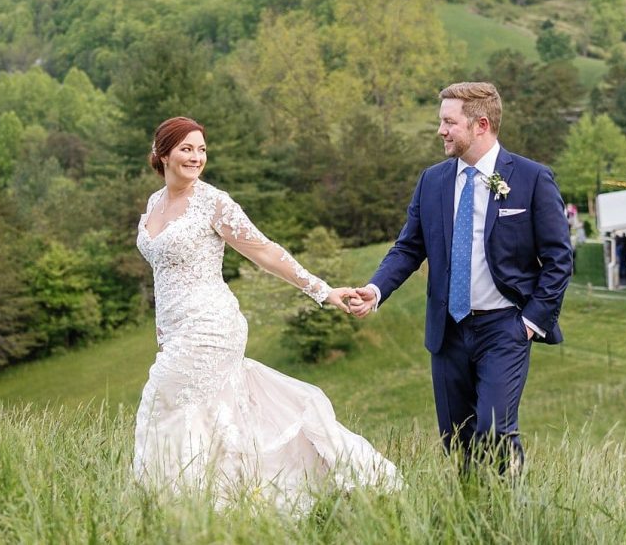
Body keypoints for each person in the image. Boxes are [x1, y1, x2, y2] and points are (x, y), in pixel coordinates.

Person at [132, 117, 401, 512]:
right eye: (186, 149)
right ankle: (218, 503)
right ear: (162, 154)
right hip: (175, 331)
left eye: (202, 149)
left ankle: (190, 508)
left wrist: (323, 291)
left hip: (211, 326)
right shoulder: (155, 203)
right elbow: (164, 273)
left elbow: (266, 253)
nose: (196, 157)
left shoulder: (213, 202)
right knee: (202, 414)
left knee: (168, 406)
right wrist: (164, 328)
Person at [345, 82, 573, 475]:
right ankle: (470, 517)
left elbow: (558, 258)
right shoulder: (432, 181)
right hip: (448, 330)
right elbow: (408, 248)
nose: (441, 131)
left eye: (449, 122)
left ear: (481, 124)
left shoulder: (533, 179)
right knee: (458, 439)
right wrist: (376, 288)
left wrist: (531, 323)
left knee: (495, 431)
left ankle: (510, 518)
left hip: (505, 328)